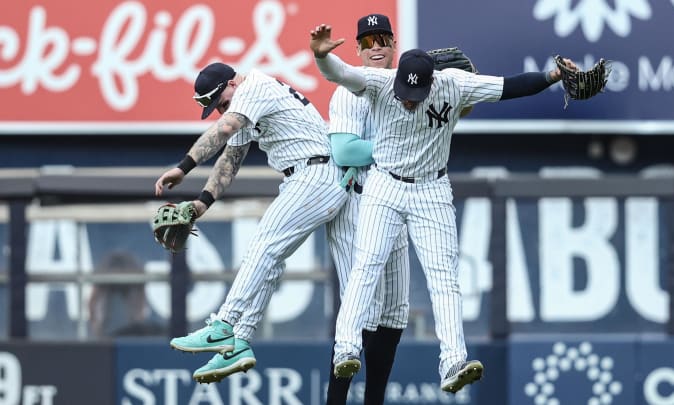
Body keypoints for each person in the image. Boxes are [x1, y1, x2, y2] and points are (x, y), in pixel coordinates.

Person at [309, 23, 578, 393]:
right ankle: (346, 350)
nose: (407, 98)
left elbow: (510, 86)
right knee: (366, 265)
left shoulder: (453, 83)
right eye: (403, 90)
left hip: (432, 189)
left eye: (414, 93)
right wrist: (322, 54)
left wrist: (552, 76)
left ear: (431, 82)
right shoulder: (380, 83)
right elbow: (338, 72)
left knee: (444, 278)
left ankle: (453, 360)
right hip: (385, 185)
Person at [154, 61, 349, 383]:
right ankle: (239, 343)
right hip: (312, 176)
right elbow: (231, 159)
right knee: (268, 260)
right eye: (216, 109)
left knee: (262, 248)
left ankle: (224, 324)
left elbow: (226, 129)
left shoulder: (253, 87)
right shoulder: (243, 105)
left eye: (222, 104)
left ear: (233, 83)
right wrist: (202, 202)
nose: (221, 113)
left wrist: (183, 167)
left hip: (316, 174)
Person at [324, 14, 410, 405]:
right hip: (357, 202)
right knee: (363, 309)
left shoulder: (410, 90)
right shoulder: (349, 90)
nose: (376, 47)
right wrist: (397, 148)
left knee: (395, 311)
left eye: (383, 39)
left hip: (397, 201)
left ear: (394, 46)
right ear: (357, 50)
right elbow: (345, 150)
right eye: (368, 41)